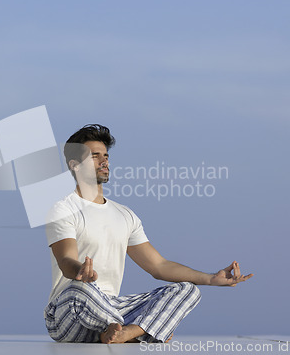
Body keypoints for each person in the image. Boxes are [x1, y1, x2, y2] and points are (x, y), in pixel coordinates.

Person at [44, 124, 253, 344]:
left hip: (112, 308)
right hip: (69, 313)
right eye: (95, 156)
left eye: (106, 155)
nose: (104, 161)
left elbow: (159, 266)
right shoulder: (63, 209)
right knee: (79, 290)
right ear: (74, 165)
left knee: (187, 290)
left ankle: (124, 334)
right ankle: (144, 331)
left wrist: (211, 278)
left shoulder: (125, 215)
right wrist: (80, 271)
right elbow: (65, 259)